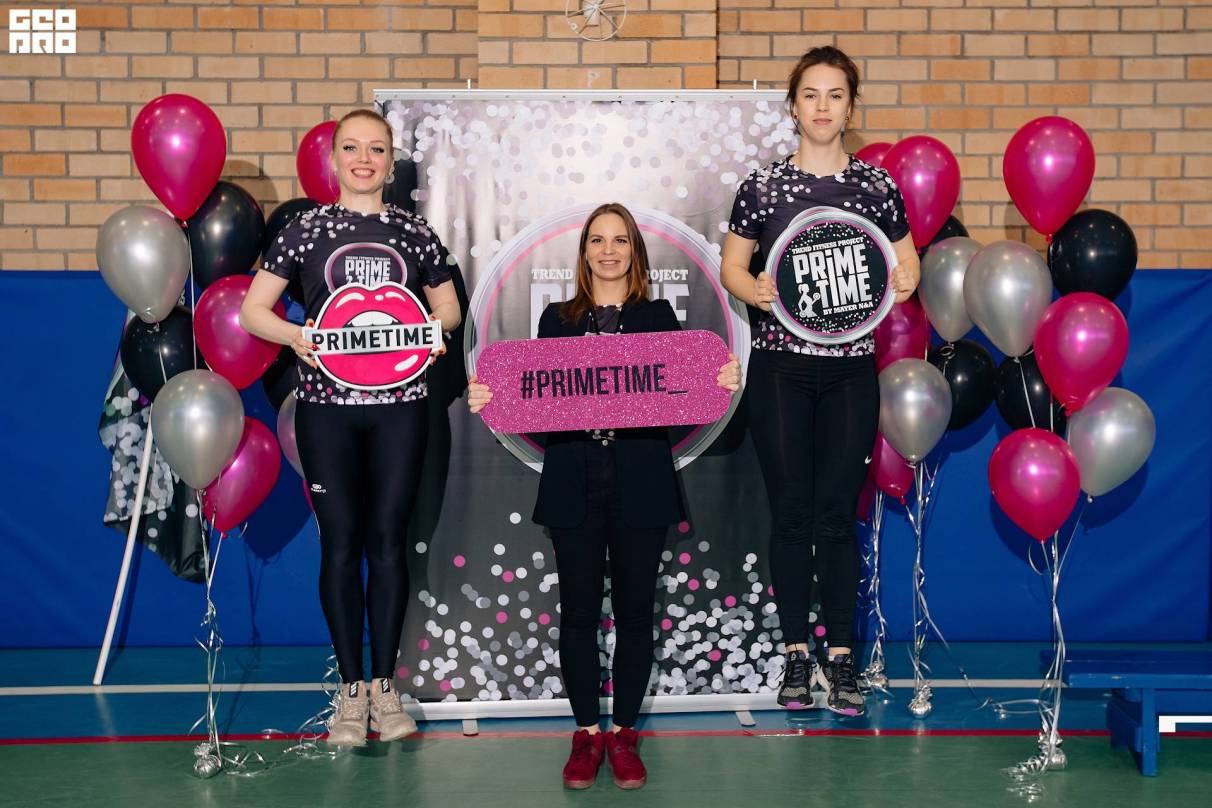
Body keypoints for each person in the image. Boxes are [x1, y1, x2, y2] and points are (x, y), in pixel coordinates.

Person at [468, 203, 741, 789]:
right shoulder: (556, 319)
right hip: (574, 477)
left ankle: (624, 735)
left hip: (641, 477)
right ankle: (587, 734)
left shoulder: (659, 317)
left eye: (620, 240)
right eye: (598, 240)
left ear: (634, 251)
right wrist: (493, 396)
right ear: (584, 251)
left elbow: (685, 389)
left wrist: (720, 380)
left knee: (637, 613)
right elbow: (538, 398)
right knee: (579, 614)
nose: (609, 250)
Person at [240, 109, 461, 746]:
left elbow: (449, 307)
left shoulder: (415, 233)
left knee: (388, 542)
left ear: (391, 162)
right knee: (340, 543)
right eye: (352, 148)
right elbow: (254, 311)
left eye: (377, 149)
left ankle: (385, 691)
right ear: (334, 159)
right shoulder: (304, 231)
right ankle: (349, 692)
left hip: (401, 406)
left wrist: (433, 330)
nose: (364, 159)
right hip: (326, 410)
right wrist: (299, 337)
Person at [720, 46, 920, 717]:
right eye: (811, 94)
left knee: (836, 516)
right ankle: (795, 656)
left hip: (849, 370)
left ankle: (841, 658)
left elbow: (908, 266)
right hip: (780, 367)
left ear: (850, 107)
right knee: (791, 514)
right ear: (793, 106)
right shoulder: (762, 187)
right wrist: (755, 288)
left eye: (836, 95)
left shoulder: (876, 187)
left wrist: (904, 278)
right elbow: (732, 269)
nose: (823, 107)